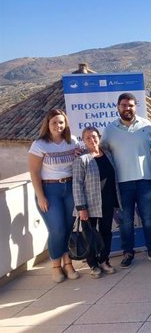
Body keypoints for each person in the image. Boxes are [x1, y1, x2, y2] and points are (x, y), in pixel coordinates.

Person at [101, 93, 151, 267]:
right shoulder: (110, 129)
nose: (127, 108)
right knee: (126, 220)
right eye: (123, 105)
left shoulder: (147, 125)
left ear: (136, 106)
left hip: (145, 180)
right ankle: (128, 253)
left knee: (149, 218)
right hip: (122, 183)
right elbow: (101, 151)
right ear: (118, 107)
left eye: (130, 105)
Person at [28, 109, 81, 283]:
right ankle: (56, 266)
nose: (57, 126)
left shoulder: (71, 142)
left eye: (60, 122)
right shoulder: (40, 145)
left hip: (70, 188)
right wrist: (41, 196)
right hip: (50, 191)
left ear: (65, 124)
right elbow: (34, 173)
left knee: (67, 227)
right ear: (47, 125)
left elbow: (80, 161)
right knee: (57, 229)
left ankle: (68, 263)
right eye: (54, 123)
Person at [72, 127, 118, 278]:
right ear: (83, 141)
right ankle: (93, 264)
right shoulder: (81, 159)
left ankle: (104, 260)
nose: (92, 140)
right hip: (89, 204)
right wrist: (81, 208)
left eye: (94, 136)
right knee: (89, 234)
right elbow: (77, 184)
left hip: (108, 200)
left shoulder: (108, 154)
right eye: (87, 138)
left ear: (99, 137)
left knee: (106, 232)